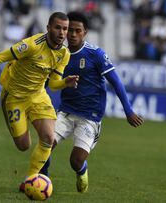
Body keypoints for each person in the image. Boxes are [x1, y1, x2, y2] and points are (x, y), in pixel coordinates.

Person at [0, 12, 79, 189]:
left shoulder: (64, 53)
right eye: (58, 27)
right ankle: (24, 125)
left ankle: (30, 180)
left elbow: (53, 85)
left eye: (65, 29)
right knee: (24, 145)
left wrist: (65, 82)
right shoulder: (31, 45)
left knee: (48, 137)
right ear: (48, 28)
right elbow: (1, 57)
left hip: (38, 95)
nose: (62, 33)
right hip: (14, 97)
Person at [39, 11, 144, 193]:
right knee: (45, 146)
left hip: (90, 117)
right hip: (65, 111)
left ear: (85, 32)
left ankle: (82, 170)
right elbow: (46, 80)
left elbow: (116, 82)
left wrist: (128, 111)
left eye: (77, 31)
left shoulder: (95, 54)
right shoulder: (58, 53)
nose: (72, 34)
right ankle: (41, 182)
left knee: (76, 160)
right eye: (69, 30)